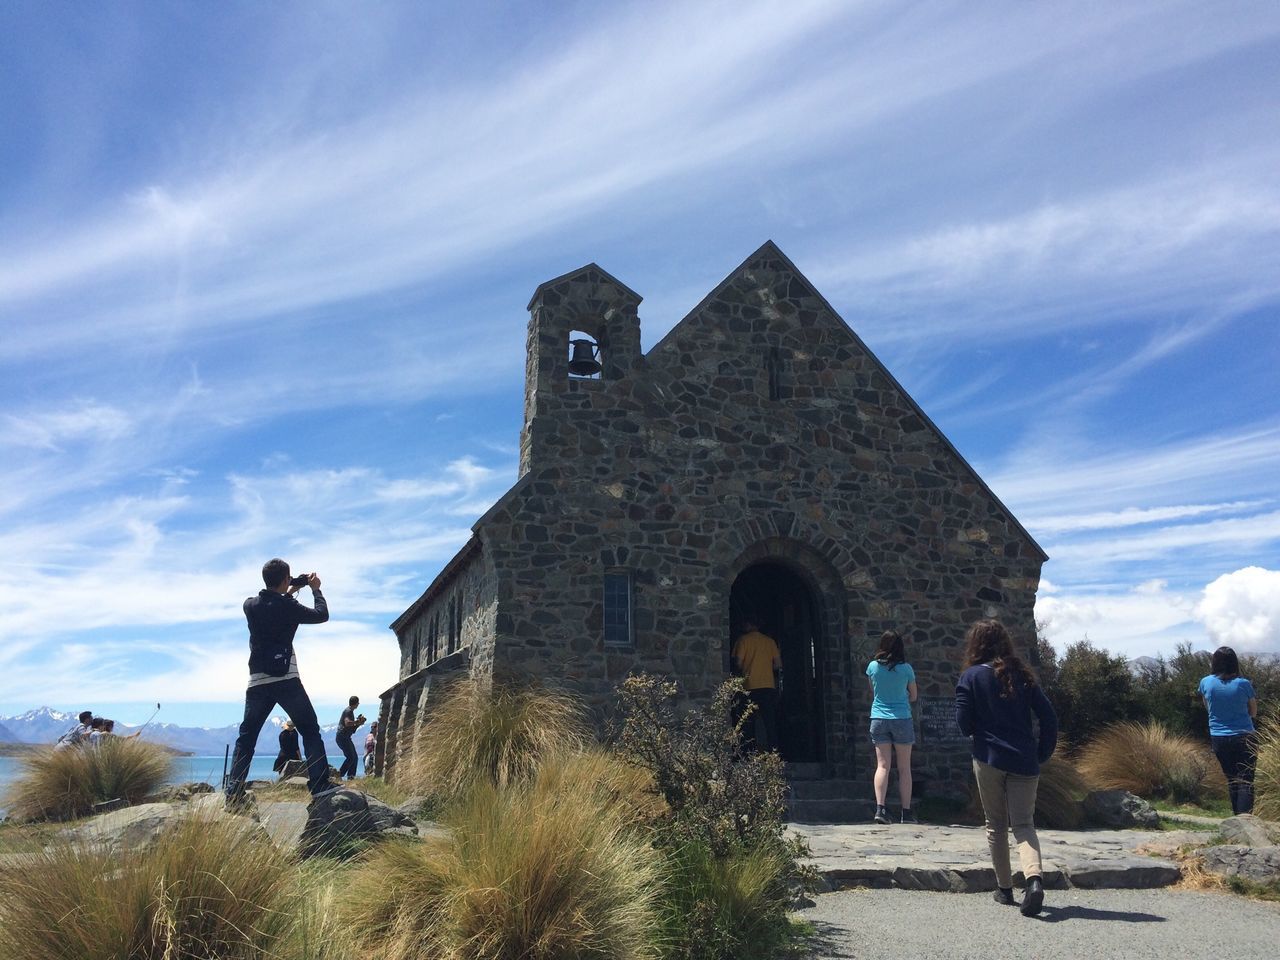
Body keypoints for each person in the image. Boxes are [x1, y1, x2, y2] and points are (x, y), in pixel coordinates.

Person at [955, 619, 1057, 917]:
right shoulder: (1022, 676)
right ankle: (1034, 880)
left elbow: (963, 723)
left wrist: (981, 731)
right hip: (1024, 759)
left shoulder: (970, 677)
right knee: (1024, 824)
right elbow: (1048, 717)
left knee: (996, 825)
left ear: (975, 644)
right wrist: (1042, 752)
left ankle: (1004, 888)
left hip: (989, 759)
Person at [225, 558, 333, 809]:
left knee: (247, 738)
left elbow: (270, 603)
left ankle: (234, 791)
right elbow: (321, 615)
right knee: (309, 729)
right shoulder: (288, 607)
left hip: (257, 682)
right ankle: (319, 786)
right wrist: (315, 589)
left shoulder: (249, 605)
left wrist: (290, 589)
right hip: (286, 680)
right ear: (285, 580)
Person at [1198, 646, 1258, 815]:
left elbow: (1208, 708)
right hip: (1245, 736)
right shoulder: (1244, 684)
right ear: (1234, 663)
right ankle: (1245, 824)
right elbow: (1253, 712)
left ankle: (1236, 820)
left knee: (1232, 779)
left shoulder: (1206, 682)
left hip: (1219, 738)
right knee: (1246, 780)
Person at [866, 630, 918, 824]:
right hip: (901, 718)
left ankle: (880, 809)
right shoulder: (906, 669)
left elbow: (873, 691)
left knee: (882, 766)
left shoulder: (872, 667)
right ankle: (906, 812)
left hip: (878, 717)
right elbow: (913, 696)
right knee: (904, 768)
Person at [732, 618, 782, 751]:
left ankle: (747, 753)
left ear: (748, 624)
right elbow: (777, 665)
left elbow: (738, 663)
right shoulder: (769, 642)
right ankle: (773, 753)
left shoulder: (743, 640)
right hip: (767, 685)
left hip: (749, 686)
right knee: (769, 722)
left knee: (747, 722)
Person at [335, 696, 367, 780]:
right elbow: (347, 723)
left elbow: (352, 729)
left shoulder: (350, 712)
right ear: (356, 704)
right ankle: (339, 776)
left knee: (354, 758)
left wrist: (358, 723)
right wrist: (357, 721)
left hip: (345, 737)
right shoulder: (348, 711)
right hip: (342, 737)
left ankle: (351, 778)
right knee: (351, 757)